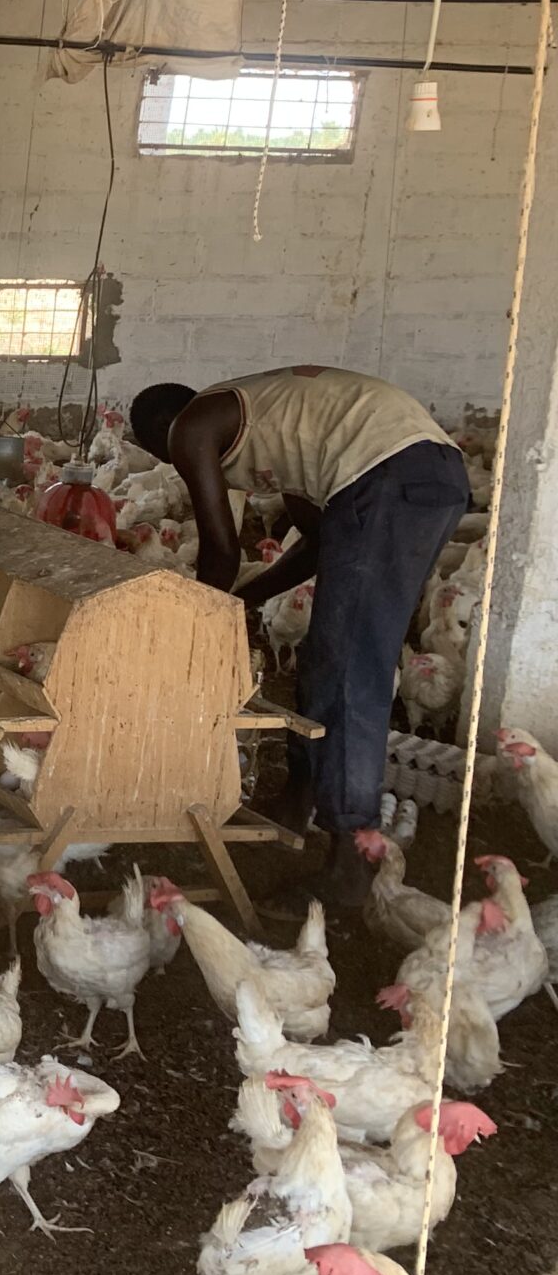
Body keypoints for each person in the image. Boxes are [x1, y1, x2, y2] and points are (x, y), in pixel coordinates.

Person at [129, 366, 469, 907]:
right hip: (427, 471)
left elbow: (220, 549)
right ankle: (299, 799)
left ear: (161, 437)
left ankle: (350, 858)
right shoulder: (272, 424)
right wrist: (247, 598)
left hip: (391, 473)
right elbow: (316, 541)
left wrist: (195, 621)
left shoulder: (192, 428)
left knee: (353, 667)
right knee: (328, 653)